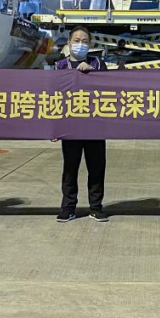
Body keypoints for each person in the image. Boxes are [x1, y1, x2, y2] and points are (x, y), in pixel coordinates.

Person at [54, 25, 109, 223]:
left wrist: (93, 74)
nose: (80, 44)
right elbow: (53, 97)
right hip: (70, 127)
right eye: (77, 41)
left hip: (95, 126)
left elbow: (108, 90)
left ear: (90, 45)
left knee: (96, 168)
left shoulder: (98, 63)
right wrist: (54, 128)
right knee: (70, 168)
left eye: (85, 41)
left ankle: (96, 207)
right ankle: (68, 208)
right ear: (69, 43)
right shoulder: (60, 66)